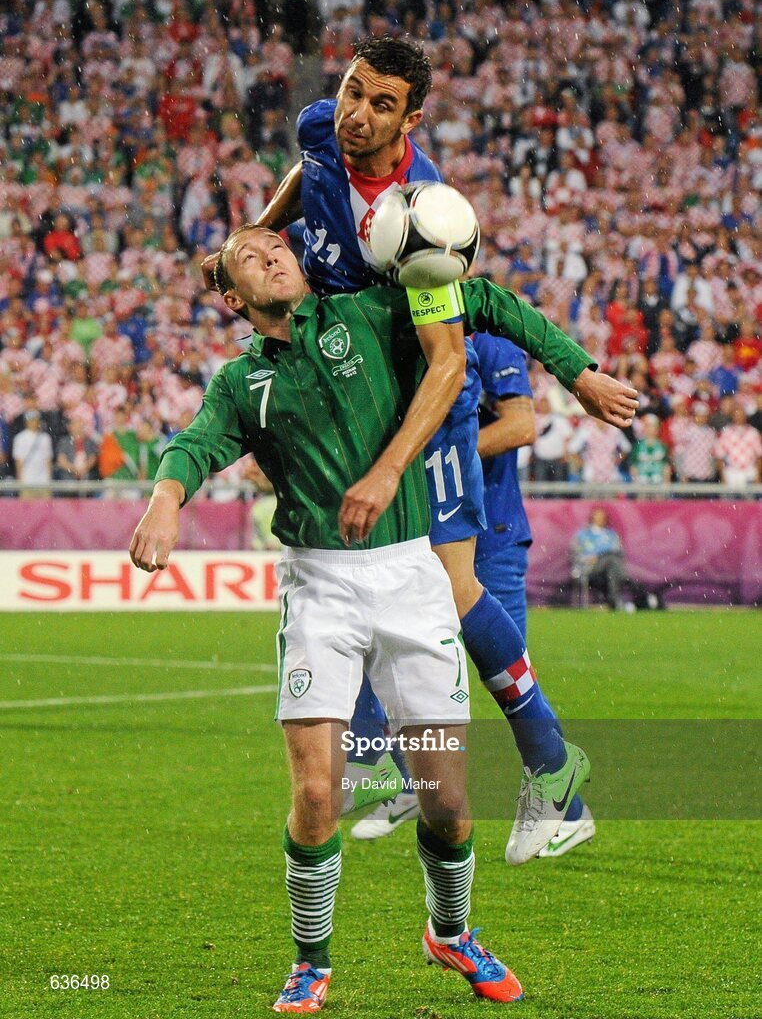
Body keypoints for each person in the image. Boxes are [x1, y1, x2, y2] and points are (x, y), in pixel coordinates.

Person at [133, 225, 636, 1012]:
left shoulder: (373, 312)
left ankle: (451, 931)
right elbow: (193, 446)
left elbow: (488, 301)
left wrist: (578, 371)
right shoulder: (241, 383)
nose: (273, 255)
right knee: (315, 794)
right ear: (233, 299)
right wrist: (165, 504)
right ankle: (311, 962)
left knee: (447, 801)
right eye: (250, 259)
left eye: (278, 246)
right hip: (319, 589)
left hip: (412, 575)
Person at [201, 37, 637, 865]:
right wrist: (257, 231)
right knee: (404, 592)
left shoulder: (421, 214)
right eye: (352, 92)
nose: (357, 116)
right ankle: (480, 772)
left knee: (451, 584)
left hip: (423, 410)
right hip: (362, 394)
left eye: (381, 105)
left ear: (414, 118)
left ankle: (553, 774)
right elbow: (310, 166)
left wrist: (392, 465)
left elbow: (446, 360)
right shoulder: (322, 126)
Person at [352, 336, 596, 859]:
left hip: (495, 534)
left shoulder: (490, 346)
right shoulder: (398, 335)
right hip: (431, 529)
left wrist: (433, 441)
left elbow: (522, 426)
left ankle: (570, 810)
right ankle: (403, 780)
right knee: (395, 654)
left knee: (502, 672)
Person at [571, 507, 659, 611]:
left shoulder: (611, 535)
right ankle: (629, 587)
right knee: (613, 562)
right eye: (597, 516)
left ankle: (616, 601)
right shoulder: (583, 534)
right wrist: (586, 558)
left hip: (609, 567)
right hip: (589, 567)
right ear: (592, 518)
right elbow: (574, 554)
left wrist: (602, 556)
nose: (600, 519)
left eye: (602, 517)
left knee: (612, 563)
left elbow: (619, 551)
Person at [12, 409, 54, 498]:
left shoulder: (46, 438)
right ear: (26, 422)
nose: (33, 422)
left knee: (44, 508)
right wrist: (20, 477)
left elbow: (48, 459)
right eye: (31, 420)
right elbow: (18, 460)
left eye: (35, 420)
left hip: (43, 479)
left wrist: (49, 478)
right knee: (26, 507)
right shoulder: (20, 438)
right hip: (27, 478)